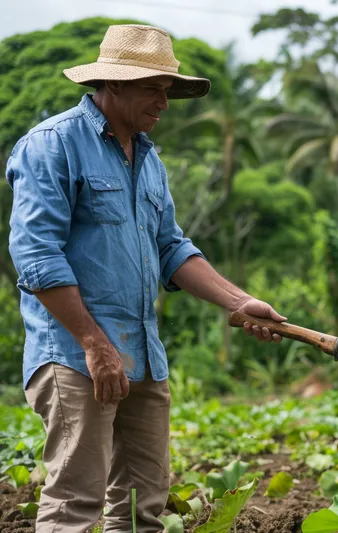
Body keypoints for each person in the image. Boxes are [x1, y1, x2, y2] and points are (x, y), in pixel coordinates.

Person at [5, 25, 285, 533]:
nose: (165, 102)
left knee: (141, 510)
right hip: (75, 355)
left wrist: (240, 301)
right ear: (112, 84)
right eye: (153, 88)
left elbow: (171, 248)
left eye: (168, 89)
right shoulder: (53, 145)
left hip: (143, 356)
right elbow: (35, 253)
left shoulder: (149, 159)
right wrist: (93, 343)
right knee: (74, 504)